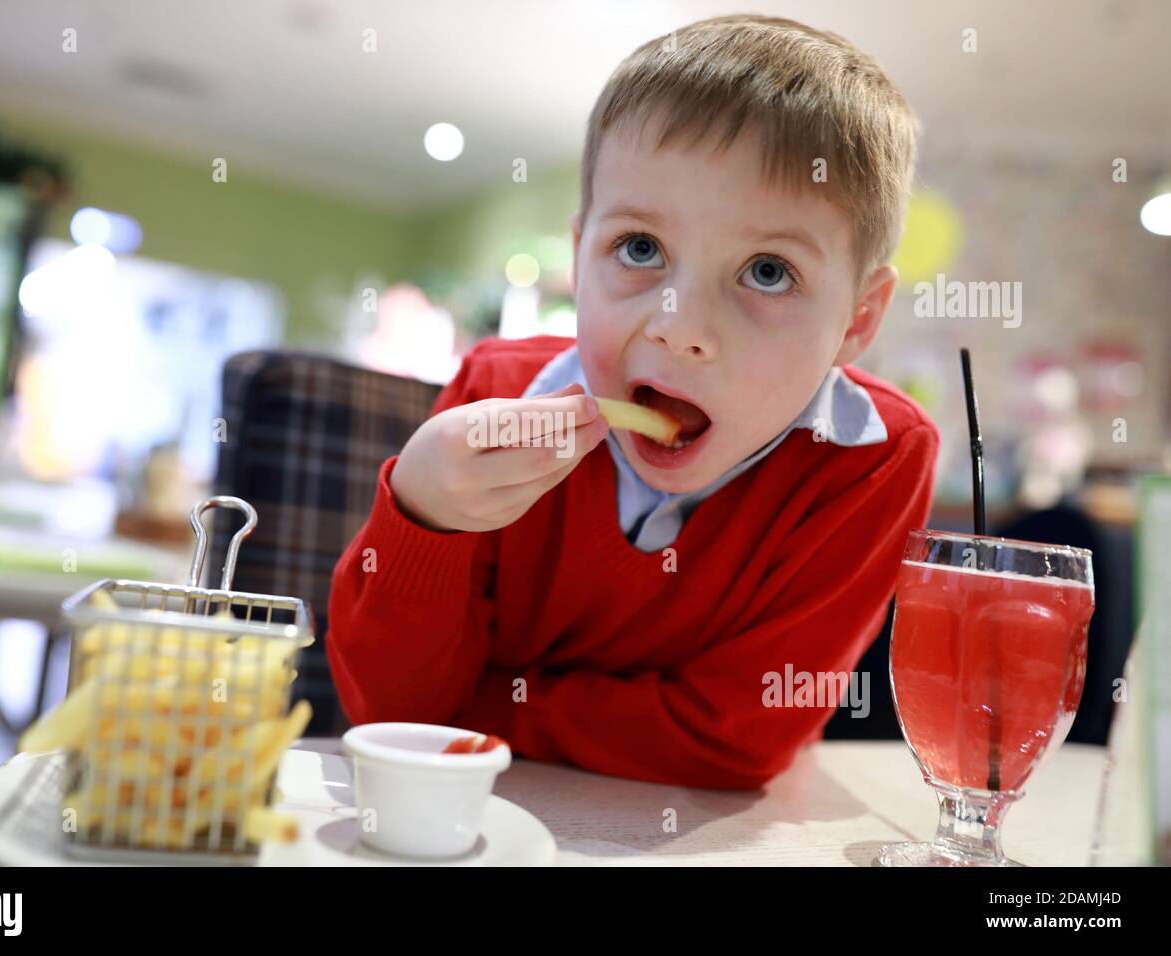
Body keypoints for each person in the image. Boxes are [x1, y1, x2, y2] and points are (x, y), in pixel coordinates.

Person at [327, 14, 940, 788]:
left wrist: (475, 710)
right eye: (640, 249)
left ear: (856, 321)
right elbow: (391, 717)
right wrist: (423, 514)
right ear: (581, 260)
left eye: (768, 272)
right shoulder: (495, 389)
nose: (681, 330)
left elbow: (737, 740)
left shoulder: (875, 459)